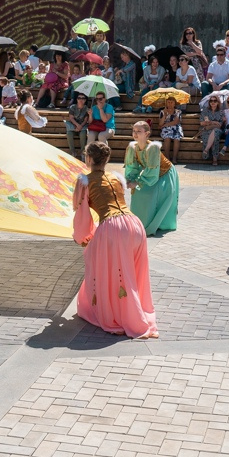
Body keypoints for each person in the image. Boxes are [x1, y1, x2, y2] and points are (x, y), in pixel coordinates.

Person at [72, 141, 158, 339]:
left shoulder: (84, 180)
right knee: (130, 272)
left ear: (89, 159)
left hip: (113, 227)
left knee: (109, 271)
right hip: (134, 225)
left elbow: (81, 212)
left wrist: (82, 236)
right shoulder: (116, 178)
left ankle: (124, 318)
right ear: (107, 159)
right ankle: (133, 312)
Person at [123, 120, 180, 237]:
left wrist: (138, 182)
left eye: (139, 131)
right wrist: (130, 179)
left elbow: (152, 172)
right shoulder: (132, 147)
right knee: (138, 193)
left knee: (150, 195)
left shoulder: (153, 148)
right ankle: (138, 223)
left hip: (165, 174)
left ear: (147, 134)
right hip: (152, 174)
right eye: (134, 131)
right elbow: (132, 166)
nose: (135, 133)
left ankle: (153, 225)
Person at [197, 94, 225, 164]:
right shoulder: (205, 111)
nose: (213, 102)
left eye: (215, 101)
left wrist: (210, 123)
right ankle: (214, 159)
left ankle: (206, 150)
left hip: (218, 130)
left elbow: (220, 125)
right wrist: (214, 122)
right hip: (206, 130)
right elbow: (202, 123)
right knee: (214, 137)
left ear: (218, 102)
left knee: (215, 132)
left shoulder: (221, 112)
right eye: (211, 101)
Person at [158, 96, 183, 163]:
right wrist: (165, 115)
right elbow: (160, 124)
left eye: (172, 102)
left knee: (177, 139)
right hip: (166, 129)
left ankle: (174, 158)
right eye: (168, 102)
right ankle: (167, 158)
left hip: (176, 127)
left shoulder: (178, 111)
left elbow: (176, 122)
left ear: (174, 104)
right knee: (167, 138)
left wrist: (165, 125)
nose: (170, 104)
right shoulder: (162, 112)